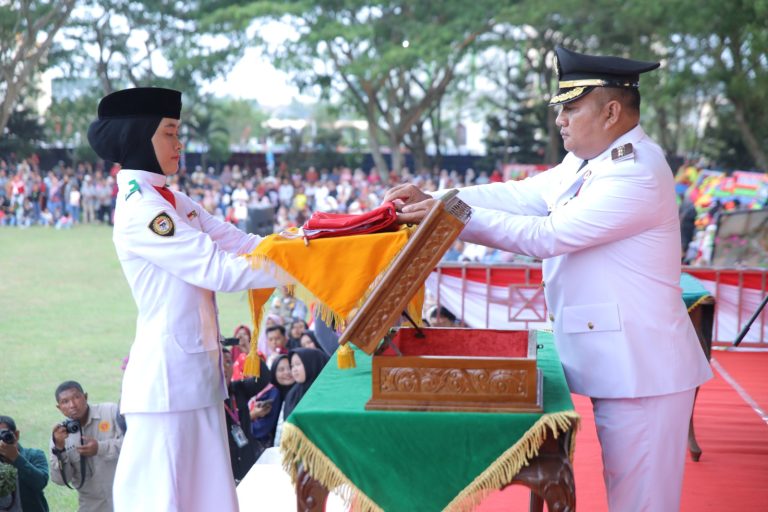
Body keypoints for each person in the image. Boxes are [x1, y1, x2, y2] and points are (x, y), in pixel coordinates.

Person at [384, 46, 712, 512]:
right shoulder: (589, 161)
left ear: (611, 112)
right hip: (622, 359)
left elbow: (547, 235)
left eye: (572, 107)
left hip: (643, 367)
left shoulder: (636, 171)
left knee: (642, 503)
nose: (560, 119)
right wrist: (436, 198)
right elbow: (520, 195)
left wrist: (449, 216)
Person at [86, 87, 291, 512]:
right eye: (169, 133)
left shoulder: (171, 199)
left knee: (209, 499)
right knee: (161, 501)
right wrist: (304, 266)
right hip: (166, 385)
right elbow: (219, 269)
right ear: (140, 137)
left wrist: (311, 242)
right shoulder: (143, 209)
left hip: (195, 377)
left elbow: (242, 243)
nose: (179, 144)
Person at [49, 381, 122, 512]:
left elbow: (135, 446)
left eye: (76, 397)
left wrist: (99, 448)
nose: (72, 405)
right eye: (65, 402)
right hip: (92, 505)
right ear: (59, 407)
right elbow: (60, 480)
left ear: (86, 397)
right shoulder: (60, 435)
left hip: (126, 496)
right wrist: (59, 449)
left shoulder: (111, 411)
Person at [221, 348, 271, 482]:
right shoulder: (206, 398)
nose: (224, 367)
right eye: (219, 362)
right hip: (223, 466)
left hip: (247, 458)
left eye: (228, 362)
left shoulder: (238, 389)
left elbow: (264, 378)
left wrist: (250, 351)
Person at [0, 415, 49, 512]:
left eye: (4, 434)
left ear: (16, 434)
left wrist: (16, 458)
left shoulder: (35, 455)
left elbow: (40, 483)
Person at [282, 348, 330, 419]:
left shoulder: (326, 391)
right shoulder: (293, 393)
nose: (294, 369)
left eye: (298, 364)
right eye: (292, 366)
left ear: (312, 364)